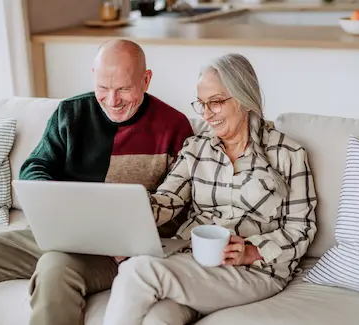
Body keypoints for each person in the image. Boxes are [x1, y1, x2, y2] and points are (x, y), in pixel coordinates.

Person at [0, 39, 194, 325]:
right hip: (57, 235)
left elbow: (182, 208)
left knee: (55, 269)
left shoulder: (174, 127)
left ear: (146, 80)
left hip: (117, 253)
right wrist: (49, 202)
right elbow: (35, 167)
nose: (112, 101)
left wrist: (134, 241)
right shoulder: (71, 113)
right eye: (103, 88)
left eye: (124, 88)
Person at [102, 53, 318, 325]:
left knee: (137, 271)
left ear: (243, 98)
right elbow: (166, 201)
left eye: (215, 103)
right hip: (195, 263)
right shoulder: (197, 147)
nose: (206, 115)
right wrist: (128, 209)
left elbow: (302, 228)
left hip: (256, 272)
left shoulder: (288, 153)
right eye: (201, 104)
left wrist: (253, 250)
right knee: (157, 319)